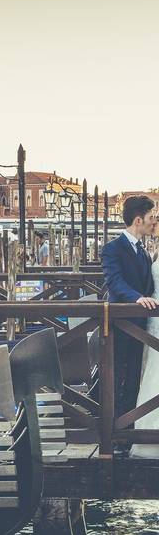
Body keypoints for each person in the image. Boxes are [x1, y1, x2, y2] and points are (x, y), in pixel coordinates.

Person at [101, 195, 157, 429]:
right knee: (117, 377)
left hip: (142, 326)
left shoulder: (144, 252)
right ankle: (114, 431)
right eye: (150, 218)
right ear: (137, 220)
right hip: (121, 324)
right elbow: (114, 281)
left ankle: (129, 426)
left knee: (135, 376)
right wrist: (137, 298)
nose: (153, 222)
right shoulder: (112, 249)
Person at [132, 211, 159, 458]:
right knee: (153, 368)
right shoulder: (151, 252)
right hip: (154, 321)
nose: (155, 223)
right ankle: (147, 428)